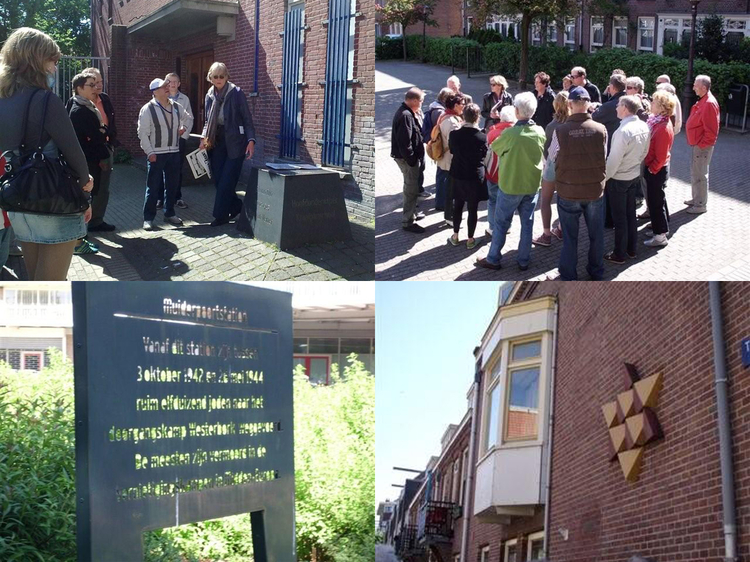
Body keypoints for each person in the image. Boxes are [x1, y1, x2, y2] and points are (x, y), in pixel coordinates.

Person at [0, 27, 93, 280]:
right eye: (52, 60)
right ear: (35, 59)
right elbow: (72, 151)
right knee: (51, 285)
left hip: (18, 200)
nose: (54, 67)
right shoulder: (45, 100)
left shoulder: (3, 98)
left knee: (35, 280)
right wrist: (86, 184)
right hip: (53, 199)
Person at [475, 92, 545, 271]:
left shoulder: (510, 134)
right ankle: (523, 260)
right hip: (531, 185)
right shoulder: (539, 131)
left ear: (516, 111)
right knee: (527, 224)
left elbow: (496, 148)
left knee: (501, 223)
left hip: (511, 185)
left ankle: (493, 258)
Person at [547, 86, 607, 281]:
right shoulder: (601, 129)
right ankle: (596, 270)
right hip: (594, 190)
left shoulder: (560, 131)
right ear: (588, 105)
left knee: (570, 238)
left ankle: (568, 273)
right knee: (596, 235)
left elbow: (552, 156)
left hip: (568, 189)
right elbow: (603, 156)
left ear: (570, 105)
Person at [199, 62, 256, 226]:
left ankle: (220, 216)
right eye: (215, 76)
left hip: (236, 142)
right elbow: (207, 120)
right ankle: (237, 206)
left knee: (226, 181)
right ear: (210, 77)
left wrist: (251, 140)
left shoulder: (236, 93)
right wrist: (204, 137)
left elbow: (247, 119)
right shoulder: (209, 95)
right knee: (218, 179)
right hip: (216, 140)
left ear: (226, 76)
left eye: (221, 76)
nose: (218, 79)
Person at [66, 67, 117, 233]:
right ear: (80, 87)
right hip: (90, 157)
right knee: (86, 192)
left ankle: (95, 221)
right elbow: (93, 134)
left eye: (99, 83)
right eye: (93, 84)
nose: (97, 87)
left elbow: (108, 123)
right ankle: (81, 234)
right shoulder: (78, 108)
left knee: (101, 189)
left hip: (103, 150)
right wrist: (101, 133)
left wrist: (107, 136)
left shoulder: (101, 101)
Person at [602, 95, 650, 264]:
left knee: (620, 218)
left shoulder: (622, 131)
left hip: (619, 178)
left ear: (624, 108)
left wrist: (604, 179)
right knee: (630, 215)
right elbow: (645, 152)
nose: (616, 108)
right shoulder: (644, 126)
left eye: (618, 105)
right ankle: (631, 249)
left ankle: (619, 253)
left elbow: (613, 159)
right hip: (633, 175)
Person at [138, 78, 190, 230]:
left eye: (167, 85)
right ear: (155, 92)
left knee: (172, 185)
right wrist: (149, 152)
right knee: (153, 187)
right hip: (156, 153)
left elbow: (188, 117)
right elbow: (142, 133)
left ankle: (169, 213)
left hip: (173, 152)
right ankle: (148, 218)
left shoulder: (175, 106)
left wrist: (183, 127)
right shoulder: (147, 109)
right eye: (163, 87)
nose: (167, 88)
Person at [446, 103, 487, 249]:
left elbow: (451, 151)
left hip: (458, 174)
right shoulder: (482, 136)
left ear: (463, 116)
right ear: (478, 117)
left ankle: (455, 236)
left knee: (457, 205)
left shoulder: (454, 134)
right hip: (474, 176)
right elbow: (484, 155)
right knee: (473, 208)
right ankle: (470, 239)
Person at [533, 90, 569, 247]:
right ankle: (561, 228)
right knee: (564, 199)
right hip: (568, 166)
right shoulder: (573, 123)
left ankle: (546, 234)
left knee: (546, 200)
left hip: (552, 165)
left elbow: (546, 149)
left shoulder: (551, 126)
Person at [593, 73, 627, 229]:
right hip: (626, 151)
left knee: (609, 187)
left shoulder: (609, 106)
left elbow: (594, 117)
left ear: (612, 87)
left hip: (610, 149)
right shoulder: (629, 102)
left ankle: (608, 220)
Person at [156, 72, 194, 210]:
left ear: (179, 84)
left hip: (178, 140)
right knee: (161, 169)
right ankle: (160, 198)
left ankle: (177, 197)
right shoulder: (159, 97)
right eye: (169, 81)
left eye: (175, 81)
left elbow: (189, 118)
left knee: (177, 169)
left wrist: (184, 134)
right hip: (162, 140)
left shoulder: (185, 99)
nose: (172, 84)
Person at [391, 87, 426, 234]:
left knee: (411, 187)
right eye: (421, 101)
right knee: (411, 189)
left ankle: (412, 214)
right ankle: (408, 222)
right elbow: (405, 142)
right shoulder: (405, 115)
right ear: (412, 100)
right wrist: (412, 160)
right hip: (406, 159)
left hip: (407, 158)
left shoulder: (408, 112)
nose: (422, 104)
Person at [643, 91, 676, 247]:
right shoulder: (658, 121)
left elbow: (661, 156)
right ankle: (660, 230)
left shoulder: (662, 127)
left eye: (654, 101)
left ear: (662, 107)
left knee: (656, 203)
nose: (651, 103)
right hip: (656, 169)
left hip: (656, 170)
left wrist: (651, 170)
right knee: (657, 202)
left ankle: (660, 236)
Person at [685, 74, 720, 214]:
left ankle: (700, 205)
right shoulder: (704, 100)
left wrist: (702, 144)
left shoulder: (709, 103)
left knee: (700, 175)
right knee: (696, 173)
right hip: (698, 144)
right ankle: (696, 199)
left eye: (695, 85)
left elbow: (712, 130)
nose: (693, 88)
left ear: (704, 88)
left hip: (702, 146)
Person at [485, 106, 517, 237]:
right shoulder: (517, 132)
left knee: (493, 200)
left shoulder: (492, 132)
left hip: (493, 173)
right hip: (510, 174)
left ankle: (492, 227)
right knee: (509, 202)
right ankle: (507, 226)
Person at [436, 93, 466, 227]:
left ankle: (450, 214)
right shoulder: (452, 122)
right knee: (452, 190)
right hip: (451, 161)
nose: (464, 106)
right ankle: (450, 216)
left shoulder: (444, 116)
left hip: (445, 159)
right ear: (455, 106)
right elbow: (455, 144)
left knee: (450, 188)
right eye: (462, 104)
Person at [423, 88, 452, 211]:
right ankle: (441, 203)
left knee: (441, 175)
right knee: (443, 176)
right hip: (442, 149)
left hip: (439, 148)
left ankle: (440, 201)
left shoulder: (434, 108)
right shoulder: (440, 112)